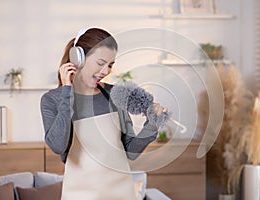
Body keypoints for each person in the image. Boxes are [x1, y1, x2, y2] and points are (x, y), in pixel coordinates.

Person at [40, 27, 167, 200]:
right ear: (78, 58)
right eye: (101, 63)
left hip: (121, 193)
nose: (106, 71)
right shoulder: (52, 100)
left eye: (110, 65)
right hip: (80, 195)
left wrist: (152, 124)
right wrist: (67, 91)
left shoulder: (116, 95)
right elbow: (57, 145)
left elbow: (129, 151)